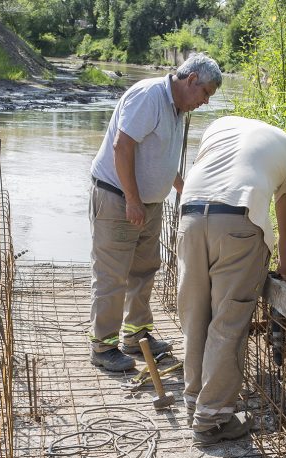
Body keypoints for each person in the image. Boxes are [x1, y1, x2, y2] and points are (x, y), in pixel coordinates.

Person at [88, 53, 222, 372]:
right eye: (205, 93)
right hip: (118, 198)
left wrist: (182, 187)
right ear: (191, 80)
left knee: (144, 269)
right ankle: (103, 346)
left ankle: (135, 337)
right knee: (112, 273)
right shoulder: (149, 96)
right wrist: (132, 200)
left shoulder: (178, 109)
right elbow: (123, 146)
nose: (204, 102)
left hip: (148, 203)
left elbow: (160, 158)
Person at [176, 116, 286, 444]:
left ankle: (195, 404)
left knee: (195, 315)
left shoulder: (219, 126)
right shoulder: (285, 145)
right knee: (228, 321)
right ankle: (212, 420)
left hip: (188, 217)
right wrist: (285, 270)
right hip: (238, 221)